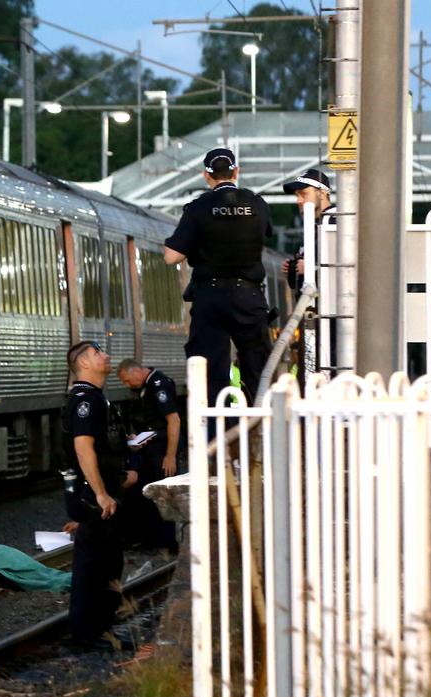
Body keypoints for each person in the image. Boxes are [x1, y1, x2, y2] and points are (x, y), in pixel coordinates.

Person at [164, 147, 274, 406]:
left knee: (210, 371)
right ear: (236, 172)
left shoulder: (198, 208)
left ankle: (214, 436)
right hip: (249, 296)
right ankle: (260, 430)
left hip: (210, 297)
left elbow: (171, 256)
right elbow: (266, 232)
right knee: (258, 366)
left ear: (206, 175)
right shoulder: (257, 204)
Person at [61, 340, 131, 648]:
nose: (105, 355)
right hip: (94, 496)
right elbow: (83, 446)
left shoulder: (97, 398)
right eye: (97, 353)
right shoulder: (85, 400)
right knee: (94, 564)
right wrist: (101, 493)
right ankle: (87, 634)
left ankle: (102, 628)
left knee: (108, 560)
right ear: (84, 364)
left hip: (104, 492)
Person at [116, 359, 181, 553]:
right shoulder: (145, 388)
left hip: (161, 451)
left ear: (136, 372)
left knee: (162, 495)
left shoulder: (158, 385)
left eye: (128, 380)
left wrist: (170, 455)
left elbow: (174, 421)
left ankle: (168, 543)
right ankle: (150, 539)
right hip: (150, 449)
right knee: (147, 494)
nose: (128, 385)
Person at [280, 168, 337, 291]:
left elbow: (350, 266)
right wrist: (292, 270)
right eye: (297, 195)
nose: (298, 201)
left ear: (322, 193)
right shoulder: (314, 226)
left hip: (331, 308)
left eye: (304, 194)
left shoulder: (335, 221)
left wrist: (312, 269)